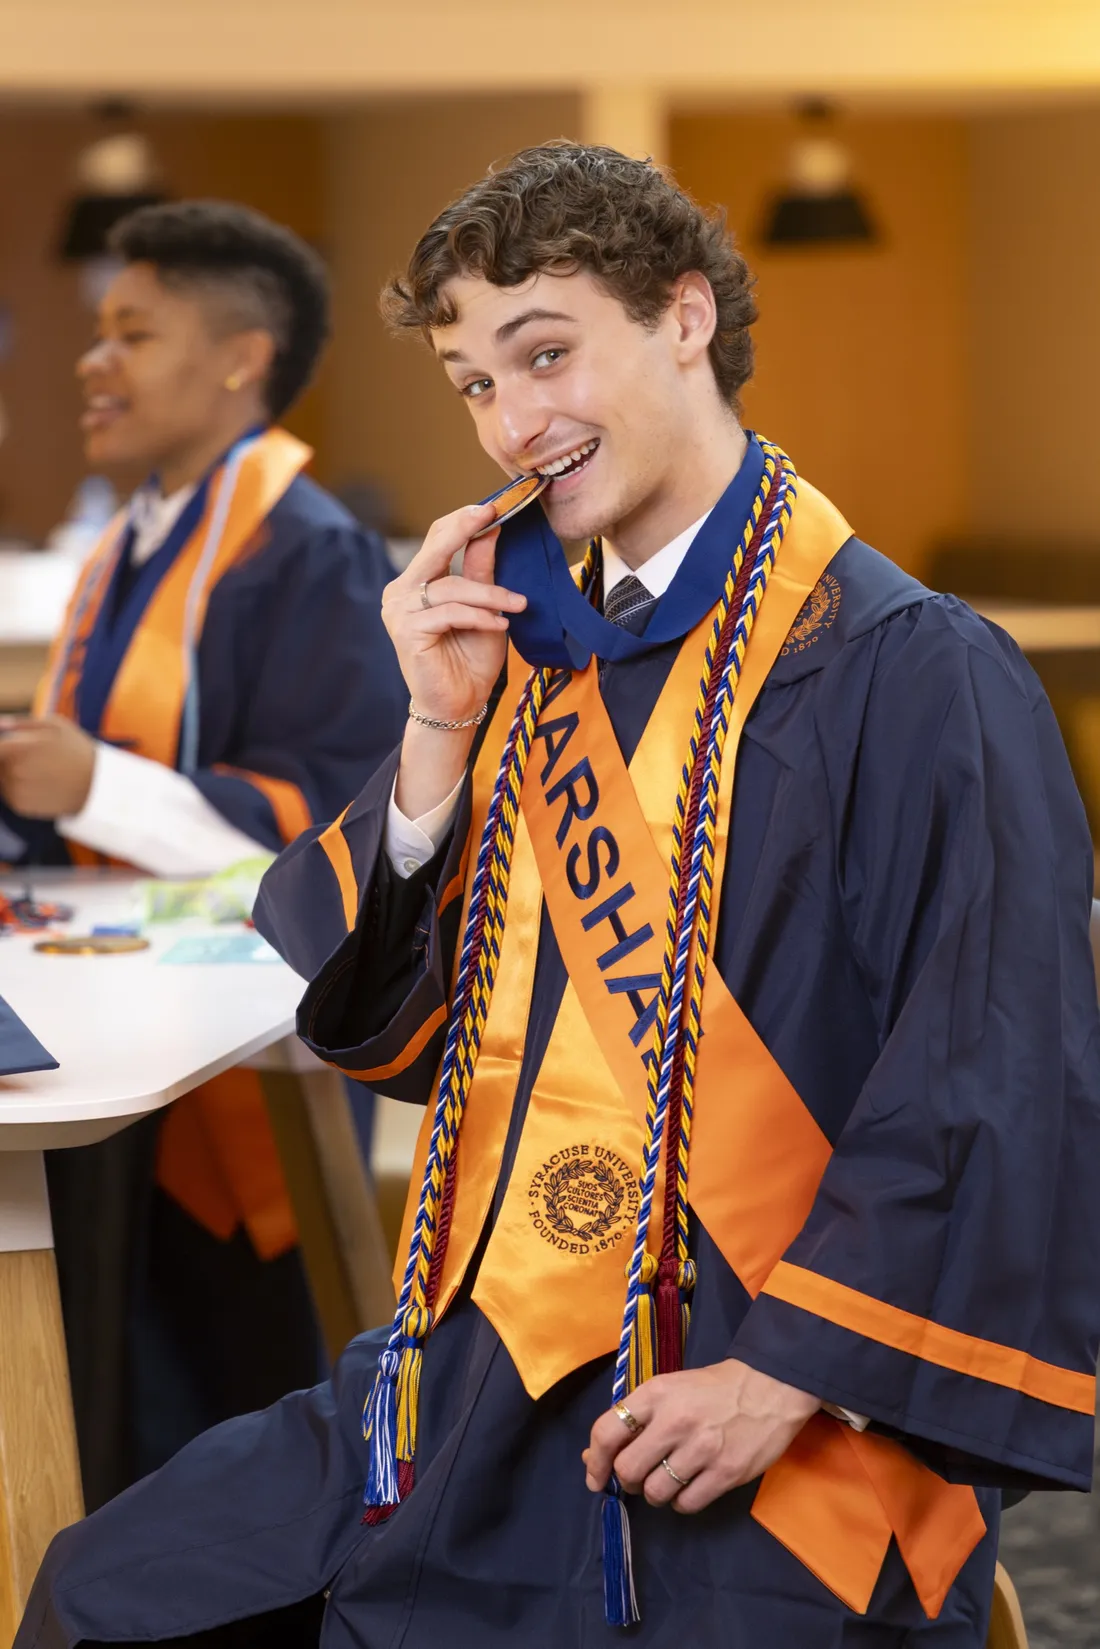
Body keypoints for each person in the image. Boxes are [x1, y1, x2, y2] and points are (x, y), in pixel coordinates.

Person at [17, 145, 1100, 1649]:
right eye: (474, 381)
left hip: (742, 1378)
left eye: (545, 353)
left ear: (682, 318)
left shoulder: (914, 672)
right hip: (464, 1364)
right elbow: (390, 1032)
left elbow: (993, 1078)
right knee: (99, 1593)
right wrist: (434, 734)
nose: (514, 422)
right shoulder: (523, 657)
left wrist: (783, 1375)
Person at [0, 200, 405, 1511]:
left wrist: (93, 781)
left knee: (236, 1413)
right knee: (131, 1390)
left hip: (243, 1059)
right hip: (130, 1029)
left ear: (238, 357)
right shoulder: (132, 540)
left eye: (133, 331)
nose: (90, 361)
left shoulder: (310, 553)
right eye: (97, 332)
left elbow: (336, 827)